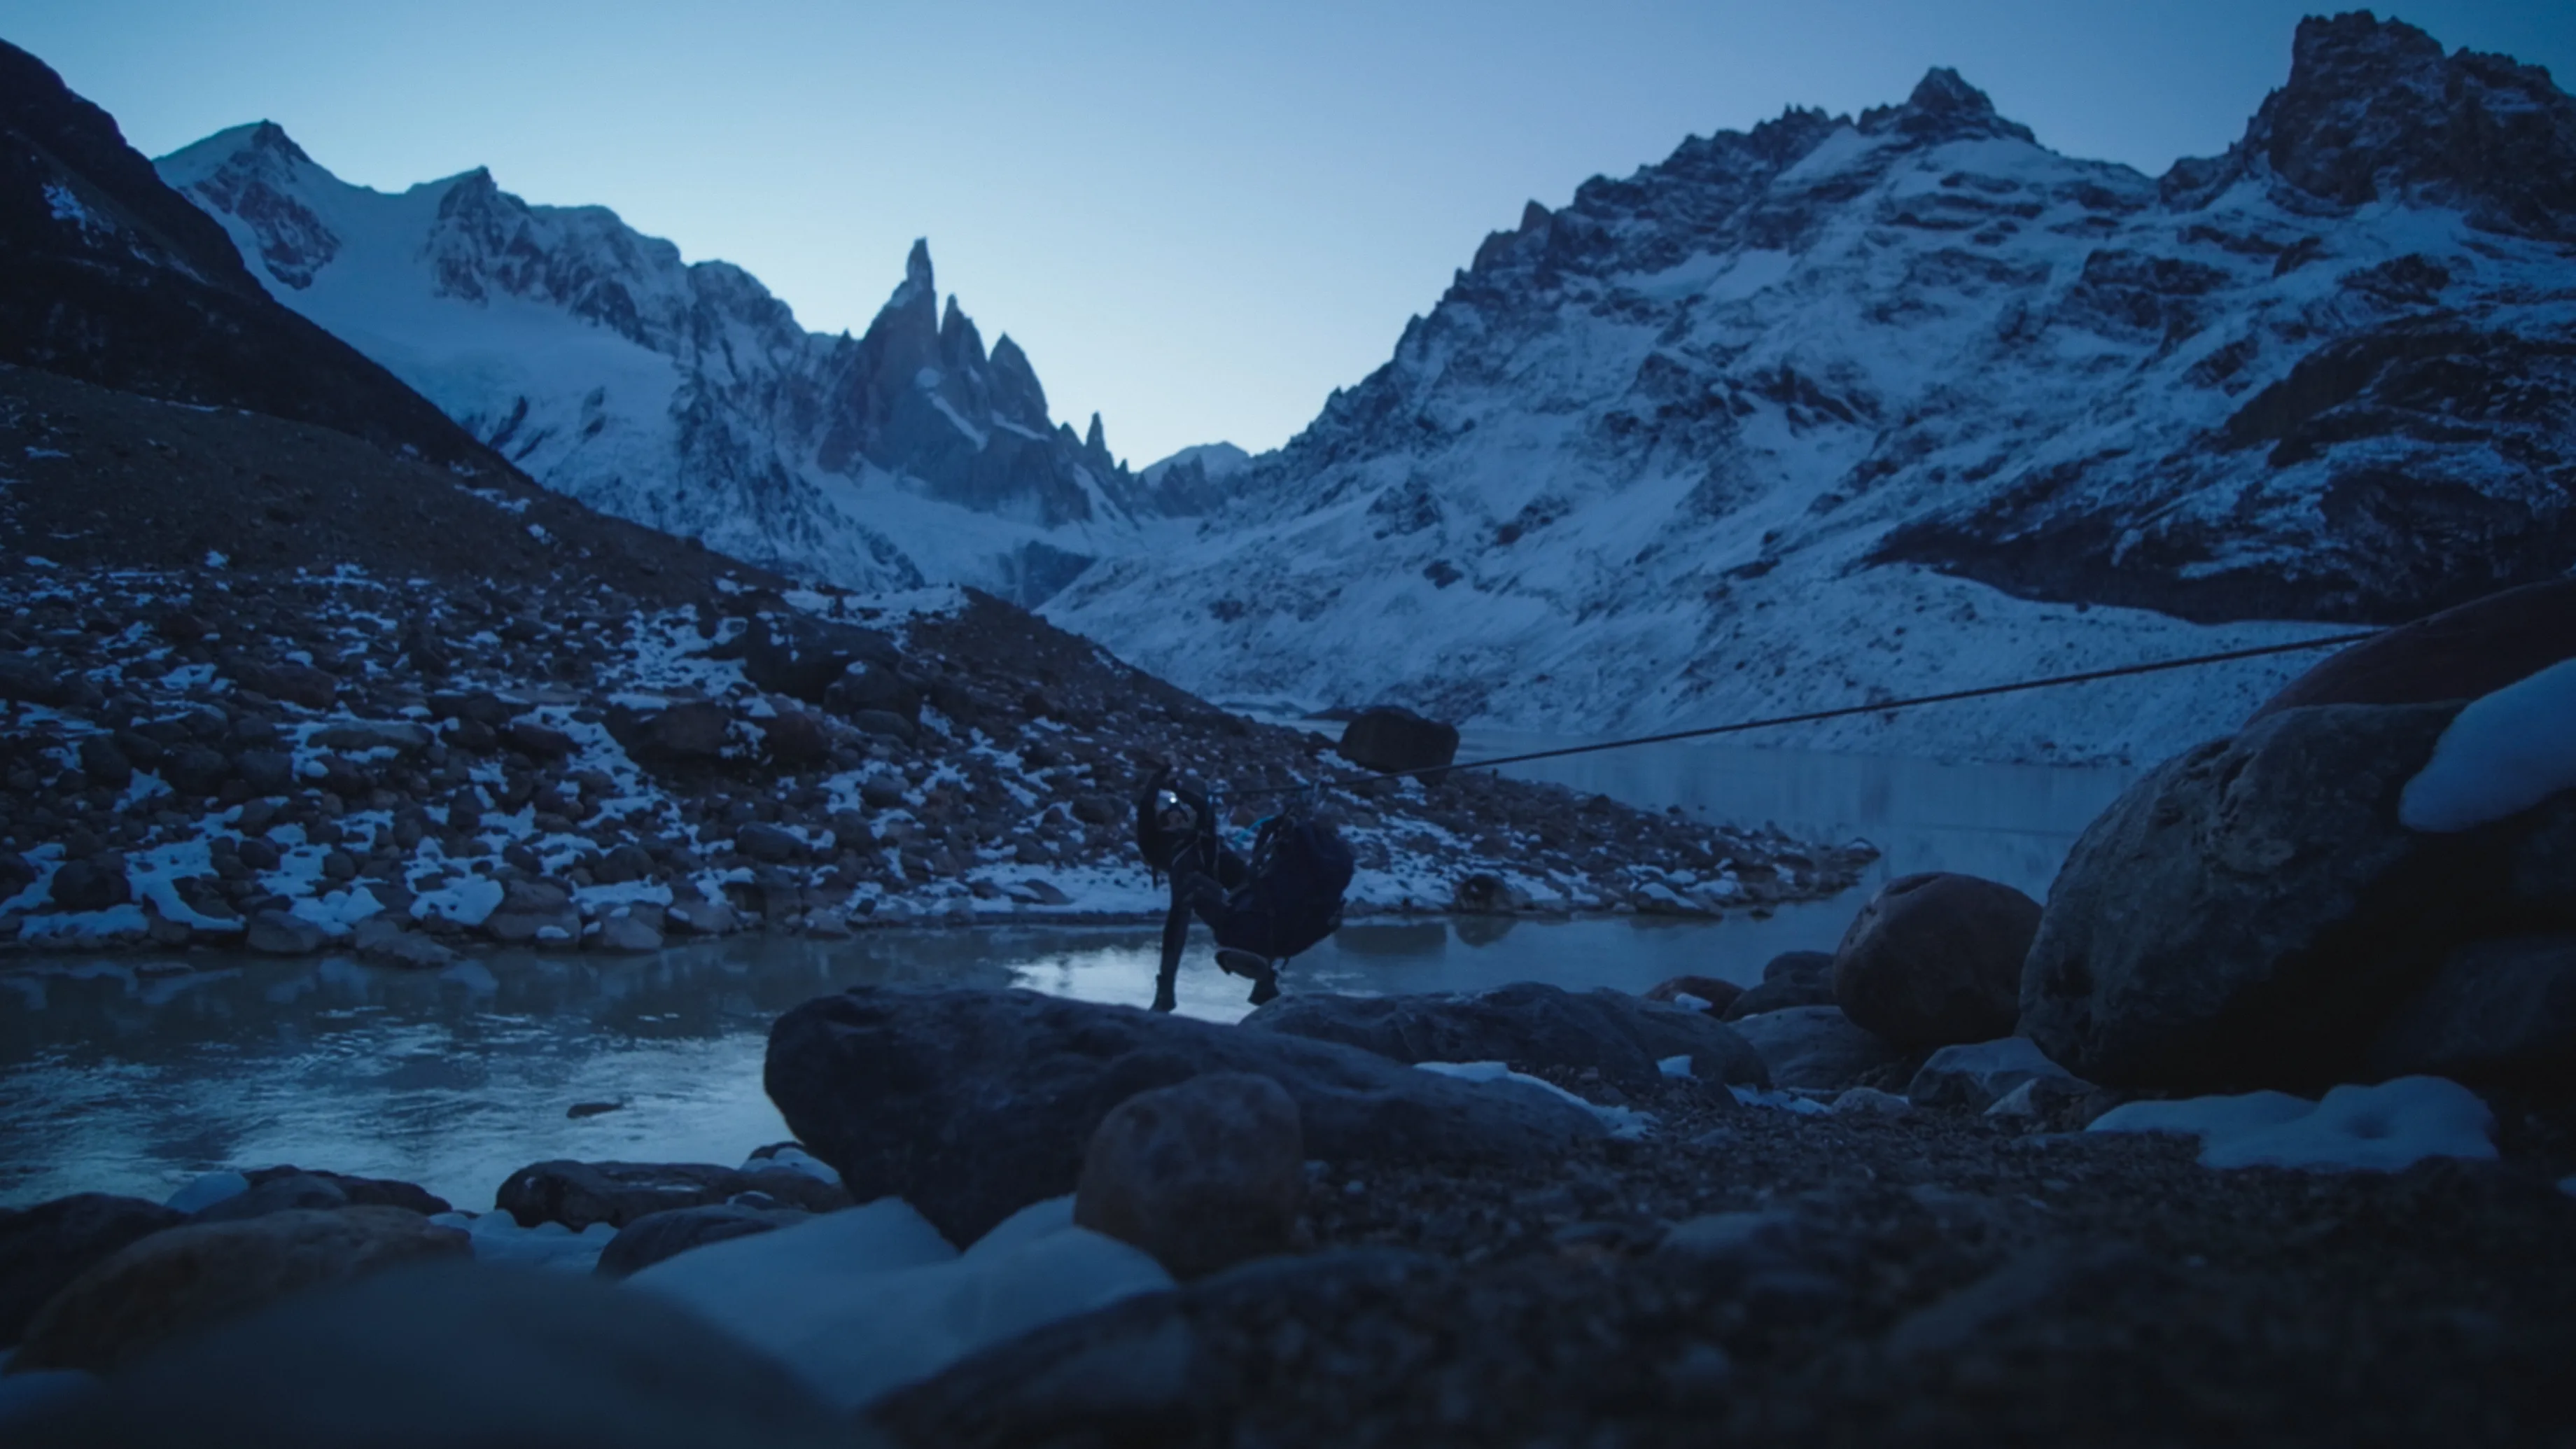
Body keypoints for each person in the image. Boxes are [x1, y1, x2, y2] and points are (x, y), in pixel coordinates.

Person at [1138, 775, 1280, 1012]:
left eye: (1179, 815)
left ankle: (1265, 979)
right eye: (1169, 818)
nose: (1176, 820)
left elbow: (1204, 813)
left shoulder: (1205, 838)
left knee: (1261, 894)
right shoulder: (1160, 846)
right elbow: (1145, 816)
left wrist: (1179, 791)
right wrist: (1157, 785)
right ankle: (1166, 990)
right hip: (1195, 887)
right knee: (1187, 895)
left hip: (1220, 879)